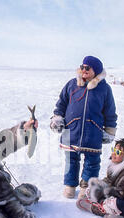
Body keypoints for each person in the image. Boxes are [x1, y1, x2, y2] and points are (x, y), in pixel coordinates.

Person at [50, 56, 118, 200]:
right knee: (71, 160)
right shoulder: (72, 84)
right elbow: (61, 103)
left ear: (96, 70)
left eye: (88, 68)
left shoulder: (104, 89)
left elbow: (110, 112)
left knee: (92, 162)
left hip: (93, 132)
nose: (84, 70)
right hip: (71, 130)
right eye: (82, 67)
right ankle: (70, 185)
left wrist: (110, 130)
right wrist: (57, 117)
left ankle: (86, 187)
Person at [76, 138, 124, 218]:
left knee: (115, 203)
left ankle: (96, 208)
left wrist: (103, 195)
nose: (114, 154)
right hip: (118, 195)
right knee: (94, 187)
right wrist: (98, 186)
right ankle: (107, 209)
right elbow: (109, 181)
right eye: (114, 150)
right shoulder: (115, 166)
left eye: (118, 152)